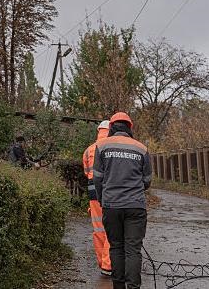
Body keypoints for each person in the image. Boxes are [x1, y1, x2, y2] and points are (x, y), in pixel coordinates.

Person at [94, 112, 152, 289]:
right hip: (135, 206)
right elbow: (147, 180)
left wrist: (103, 199)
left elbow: (97, 178)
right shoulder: (141, 148)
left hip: (111, 205)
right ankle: (133, 287)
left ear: (111, 127)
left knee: (116, 247)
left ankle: (118, 286)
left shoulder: (102, 146)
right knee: (133, 249)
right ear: (130, 128)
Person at [83, 120, 113, 277]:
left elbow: (86, 171)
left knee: (98, 228)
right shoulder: (111, 148)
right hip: (108, 191)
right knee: (111, 229)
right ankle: (108, 265)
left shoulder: (88, 150)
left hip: (93, 193)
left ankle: (102, 263)